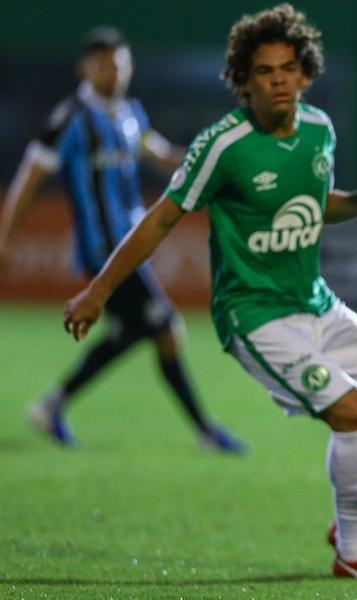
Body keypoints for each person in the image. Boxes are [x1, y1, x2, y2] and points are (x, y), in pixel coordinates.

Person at [62, 5, 357, 582]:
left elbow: (315, 205)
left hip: (316, 302)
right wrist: (99, 291)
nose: (278, 78)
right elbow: (159, 220)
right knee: (355, 415)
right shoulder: (222, 145)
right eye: (264, 70)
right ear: (243, 80)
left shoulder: (318, 130)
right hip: (255, 317)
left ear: (306, 74)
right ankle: (354, 552)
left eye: (288, 67)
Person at [0, 27, 243, 453]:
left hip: (133, 245)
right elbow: (29, 176)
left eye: (119, 63)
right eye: (103, 64)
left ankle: (52, 405)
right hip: (102, 250)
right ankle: (205, 430)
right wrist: (5, 238)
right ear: (85, 69)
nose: (113, 72)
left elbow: (160, 152)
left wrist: (210, 161)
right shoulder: (71, 117)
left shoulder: (131, 113)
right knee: (165, 328)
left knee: (134, 331)